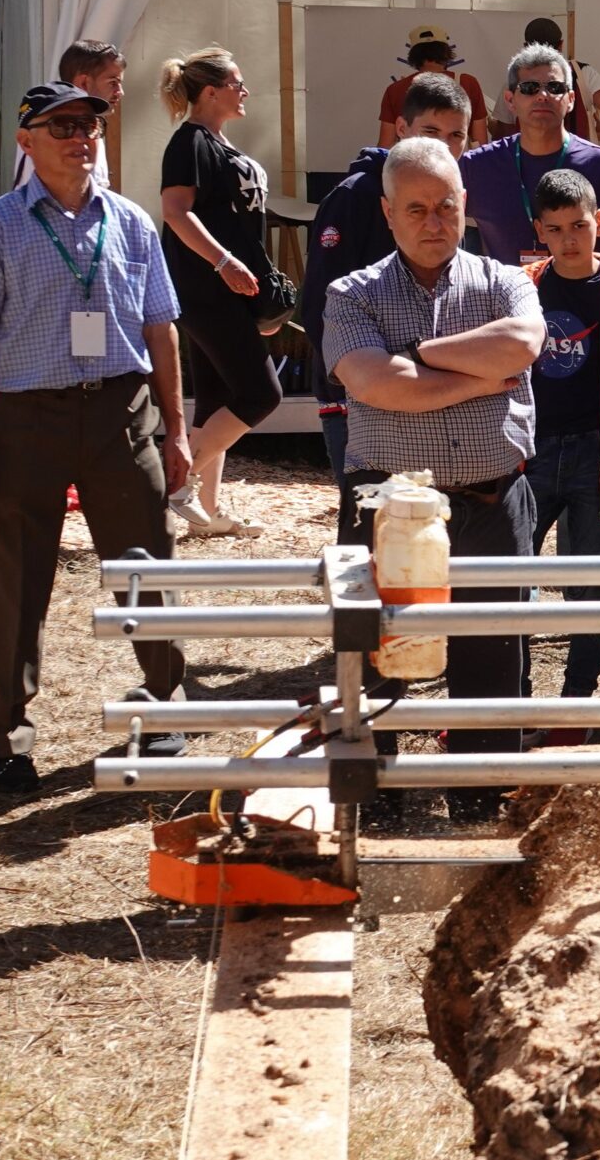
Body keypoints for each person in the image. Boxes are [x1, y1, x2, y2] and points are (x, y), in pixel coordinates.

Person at [0, 83, 193, 794]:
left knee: (147, 562)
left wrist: (176, 429)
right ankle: (11, 737)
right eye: (62, 127)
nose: (81, 137)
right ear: (27, 141)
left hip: (121, 413)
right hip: (28, 420)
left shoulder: (134, 222)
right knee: (19, 577)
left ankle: (165, 708)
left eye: (89, 125)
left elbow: (160, 331)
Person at [325, 137, 544, 826]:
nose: (432, 220)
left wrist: (416, 356)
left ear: (465, 206)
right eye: (415, 208)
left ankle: (481, 801)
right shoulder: (348, 294)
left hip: (490, 499)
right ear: (388, 213)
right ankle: (377, 805)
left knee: (492, 651)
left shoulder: (507, 282)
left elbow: (520, 347)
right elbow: (373, 385)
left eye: (445, 205)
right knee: (377, 648)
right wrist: (474, 377)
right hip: (387, 509)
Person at [304, 72, 473, 525]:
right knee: (374, 529)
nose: (445, 145)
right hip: (357, 400)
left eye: (457, 135)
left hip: (434, 395)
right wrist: (348, 381)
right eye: (431, 132)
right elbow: (322, 303)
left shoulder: (456, 199)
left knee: (430, 531)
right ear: (401, 129)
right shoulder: (355, 196)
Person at [521, 168, 600, 711]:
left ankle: (579, 704)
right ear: (539, 232)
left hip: (598, 451)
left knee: (590, 583)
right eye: (555, 229)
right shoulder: (520, 288)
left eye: (578, 225)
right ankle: (512, 700)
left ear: (599, 222)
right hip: (529, 453)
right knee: (510, 582)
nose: (569, 240)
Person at [156, 48, 282, 538]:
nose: (244, 90)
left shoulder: (219, 144)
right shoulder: (188, 143)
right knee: (259, 393)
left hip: (231, 289)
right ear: (211, 92)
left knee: (217, 399)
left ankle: (204, 517)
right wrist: (223, 262)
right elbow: (175, 210)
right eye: (237, 83)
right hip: (205, 288)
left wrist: (262, 295)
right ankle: (173, 479)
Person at [458, 44, 600, 271]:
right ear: (510, 100)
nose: (543, 96)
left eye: (555, 87)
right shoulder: (477, 166)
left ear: (572, 99)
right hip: (504, 305)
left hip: (584, 304)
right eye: (529, 88)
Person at [11, 40, 127, 192]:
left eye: (88, 125)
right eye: (113, 82)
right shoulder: (43, 128)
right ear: (84, 82)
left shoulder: (92, 131)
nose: (120, 92)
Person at [375, 26, 489, 150]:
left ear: (413, 55)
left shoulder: (395, 89)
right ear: (445, 52)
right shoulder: (467, 83)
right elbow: (480, 142)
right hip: (456, 165)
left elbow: (385, 146)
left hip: (412, 164)